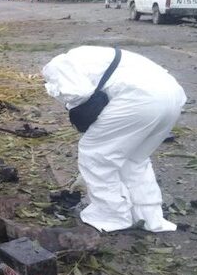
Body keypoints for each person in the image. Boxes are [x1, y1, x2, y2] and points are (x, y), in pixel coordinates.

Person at [42, 46, 187, 233]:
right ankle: (149, 217)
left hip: (140, 99)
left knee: (96, 155)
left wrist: (70, 105)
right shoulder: (93, 55)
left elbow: (77, 93)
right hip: (172, 97)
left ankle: (111, 216)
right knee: (135, 160)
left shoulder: (56, 66)